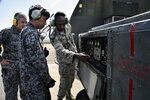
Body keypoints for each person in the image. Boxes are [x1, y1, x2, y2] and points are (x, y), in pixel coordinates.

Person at [49, 12, 90, 100]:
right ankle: (59, 98)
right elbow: (60, 51)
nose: (61, 27)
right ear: (54, 23)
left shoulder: (68, 26)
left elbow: (71, 41)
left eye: (63, 24)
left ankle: (68, 95)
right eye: (59, 24)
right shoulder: (53, 36)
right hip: (63, 61)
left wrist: (76, 52)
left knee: (71, 79)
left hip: (73, 59)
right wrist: (76, 55)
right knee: (64, 83)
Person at [19, 5, 55, 100]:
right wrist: (48, 80)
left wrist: (42, 54)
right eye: (44, 19)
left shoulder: (27, 30)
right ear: (35, 16)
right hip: (34, 86)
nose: (45, 22)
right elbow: (37, 61)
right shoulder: (31, 32)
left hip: (29, 83)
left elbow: (30, 56)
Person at [0, 12, 27, 100]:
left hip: (23, 70)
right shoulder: (6, 32)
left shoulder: (25, 34)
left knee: (26, 94)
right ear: (15, 22)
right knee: (11, 95)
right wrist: (0, 60)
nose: (24, 24)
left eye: (26, 22)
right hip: (10, 71)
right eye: (22, 22)